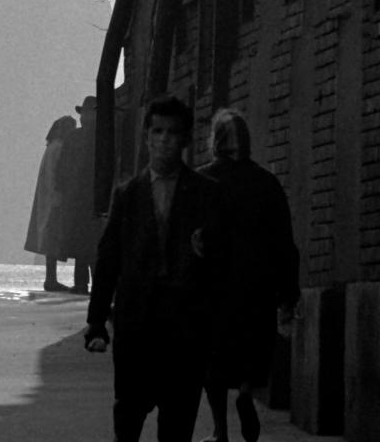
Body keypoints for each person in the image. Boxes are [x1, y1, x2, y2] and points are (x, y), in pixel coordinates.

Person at [85, 94, 226, 442]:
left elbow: (225, 263)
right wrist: (96, 322)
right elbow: (108, 261)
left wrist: (208, 252)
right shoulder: (128, 195)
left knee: (178, 423)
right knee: (129, 414)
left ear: (186, 140)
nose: (164, 140)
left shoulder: (206, 194)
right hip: (137, 323)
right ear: (147, 136)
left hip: (186, 325)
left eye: (173, 133)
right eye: (158, 131)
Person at [198, 108, 300, 442]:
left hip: (213, 287)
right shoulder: (266, 183)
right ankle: (244, 392)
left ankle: (220, 429)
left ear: (216, 141)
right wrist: (288, 294)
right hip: (257, 288)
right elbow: (285, 242)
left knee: (212, 361)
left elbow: (191, 237)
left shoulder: (202, 182)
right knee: (250, 352)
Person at [56, 96, 104, 293]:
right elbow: (62, 167)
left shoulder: (94, 138)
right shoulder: (77, 137)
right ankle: (83, 283)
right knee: (82, 242)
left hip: (88, 197)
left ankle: (87, 283)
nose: (85, 117)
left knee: (88, 242)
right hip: (79, 197)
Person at [24, 114, 77, 290]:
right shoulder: (59, 149)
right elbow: (57, 175)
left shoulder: (51, 147)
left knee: (50, 242)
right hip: (55, 200)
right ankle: (51, 279)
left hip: (49, 199)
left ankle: (51, 278)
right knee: (52, 240)